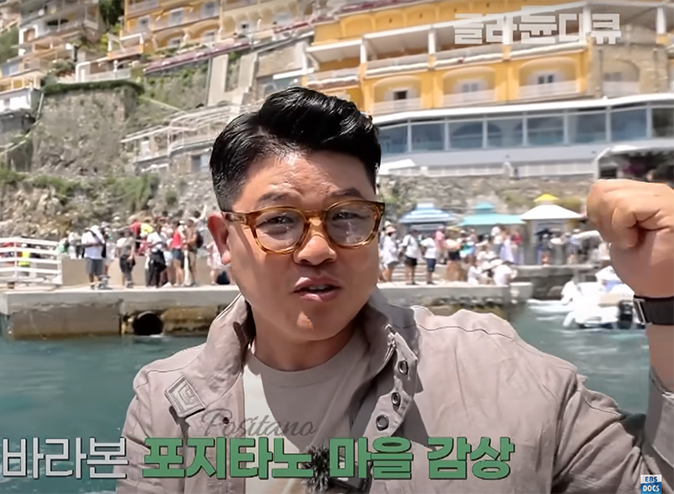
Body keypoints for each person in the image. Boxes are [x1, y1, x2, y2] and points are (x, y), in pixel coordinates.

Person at [115, 88, 673, 493]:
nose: (317, 248)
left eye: (348, 215)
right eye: (279, 221)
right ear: (224, 240)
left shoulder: (504, 372)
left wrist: (666, 298)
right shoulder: (167, 404)